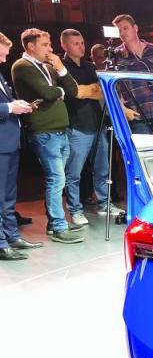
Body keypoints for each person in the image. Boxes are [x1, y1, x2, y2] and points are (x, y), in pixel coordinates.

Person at [11, 28, 94, 243]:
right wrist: (59, 92)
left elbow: (72, 89)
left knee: (59, 178)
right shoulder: (22, 66)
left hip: (61, 130)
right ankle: (58, 226)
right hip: (44, 132)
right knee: (56, 179)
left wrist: (61, 69)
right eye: (45, 45)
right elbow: (48, 93)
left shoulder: (49, 66)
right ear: (31, 46)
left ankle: (54, 223)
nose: (50, 49)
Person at [61, 29, 125, 224]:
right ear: (64, 45)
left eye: (82, 42)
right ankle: (75, 210)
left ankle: (105, 203)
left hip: (98, 125)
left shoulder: (89, 66)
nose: (81, 46)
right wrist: (88, 91)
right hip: (77, 127)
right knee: (74, 174)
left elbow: (100, 92)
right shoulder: (61, 68)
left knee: (102, 170)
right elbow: (75, 92)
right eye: (76, 43)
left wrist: (87, 91)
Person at [0, 32, 40, 260]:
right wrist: (9, 108)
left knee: (8, 196)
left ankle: (12, 236)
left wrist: (16, 104)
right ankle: (1, 244)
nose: (4, 60)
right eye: (1, 55)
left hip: (9, 143)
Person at [112, 14, 153, 134]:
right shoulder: (116, 56)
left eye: (125, 28)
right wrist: (123, 109)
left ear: (135, 28)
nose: (122, 33)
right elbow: (111, 88)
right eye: (119, 30)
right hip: (136, 116)